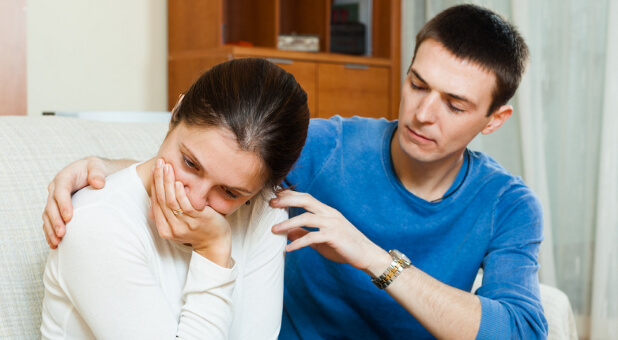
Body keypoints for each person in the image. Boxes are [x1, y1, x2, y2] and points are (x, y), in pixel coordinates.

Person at [42, 5, 548, 339]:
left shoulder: (508, 203)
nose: (422, 113)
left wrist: (373, 258)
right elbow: (225, 151)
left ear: (494, 120)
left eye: (455, 104)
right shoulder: (325, 145)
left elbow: (522, 329)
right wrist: (109, 170)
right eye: (418, 84)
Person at [39, 58, 310, 339]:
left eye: (229, 192)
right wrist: (213, 253)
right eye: (190, 163)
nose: (194, 201)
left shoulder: (264, 212)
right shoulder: (98, 224)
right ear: (176, 113)